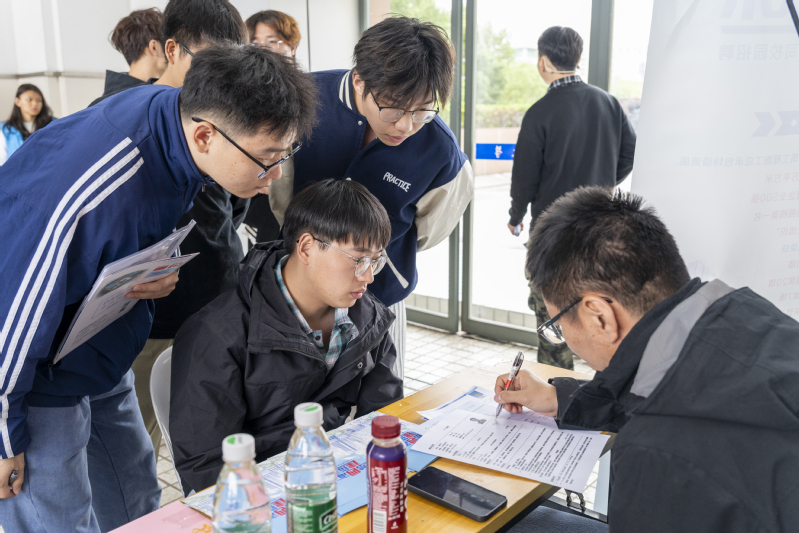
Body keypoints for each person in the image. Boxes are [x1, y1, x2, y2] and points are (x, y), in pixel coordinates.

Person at [0, 43, 317, 533]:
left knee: (140, 501)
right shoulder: (99, 186)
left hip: (95, 343)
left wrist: (146, 268)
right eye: (266, 158)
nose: (274, 175)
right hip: (26, 370)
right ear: (206, 135)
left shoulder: (175, 117)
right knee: (58, 519)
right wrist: (4, 436)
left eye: (284, 153)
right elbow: (15, 304)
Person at [495, 187, 799, 532]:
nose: (567, 340)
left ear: (599, 317)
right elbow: (672, 396)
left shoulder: (653, 455)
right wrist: (557, 398)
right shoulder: (742, 311)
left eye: (558, 326)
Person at [270, 16, 474, 380]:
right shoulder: (303, 99)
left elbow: (431, 229)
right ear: (359, 81)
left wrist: (380, 254)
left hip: (379, 296)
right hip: (299, 294)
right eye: (393, 107)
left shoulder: (441, 152)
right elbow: (279, 194)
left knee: (380, 394)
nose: (406, 125)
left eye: (423, 109)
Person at [170, 179, 403, 494]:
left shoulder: (368, 317)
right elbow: (206, 468)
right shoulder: (216, 334)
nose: (369, 276)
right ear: (306, 248)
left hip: (337, 484)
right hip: (259, 499)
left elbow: (386, 418)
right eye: (358, 259)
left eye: (376, 260)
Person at [117, 0, 250, 468]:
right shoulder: (124, 121)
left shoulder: (223, 115)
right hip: (149, 315)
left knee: (218, 432)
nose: (222, 76)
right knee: (139, 444)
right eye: (210, 60)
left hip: (217, 297)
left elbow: (236, 202)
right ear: (171, 50)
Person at [507, 26, 636, 370]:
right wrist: (603, 184)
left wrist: (516, 215)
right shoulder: (609, 104)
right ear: (579, 59)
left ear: (543, 62)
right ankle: (603, 389)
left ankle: (557, 387)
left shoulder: (540, 112)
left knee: (554, 322)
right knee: (599, 318)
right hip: (599, 234)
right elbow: (629, 153)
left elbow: (525, 177)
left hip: (553, 237)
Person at [241, 9, 302, 249]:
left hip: (295, 190)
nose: (264, 49)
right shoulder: (240, 88)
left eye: (273, 42)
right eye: (255, 43)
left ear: (292, 48)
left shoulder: (307, 90)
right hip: (256, 192)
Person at [90, 8, 167, 106]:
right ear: (154, 47)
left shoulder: (106, 100)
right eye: (170, 44)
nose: (174, 52)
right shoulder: (144, 101)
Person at [0, 84, 55, 165]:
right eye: (29, 100)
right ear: (17, 101)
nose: (35, 104)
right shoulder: (6, 128)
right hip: (18, 171)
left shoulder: (52, 123)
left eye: (39, 100)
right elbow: (2, 160)